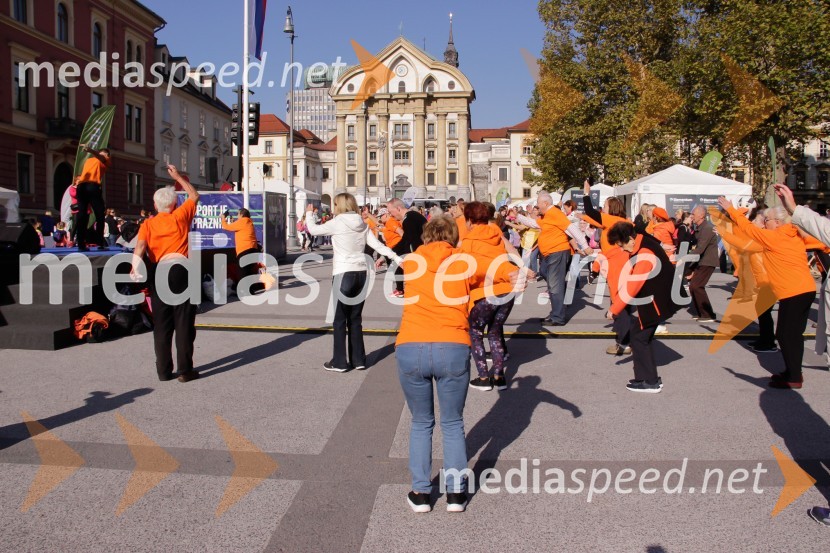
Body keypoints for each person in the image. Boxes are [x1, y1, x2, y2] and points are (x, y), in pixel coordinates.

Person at [396, 214, 522, 513]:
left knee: (421, 422)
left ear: (425, 236)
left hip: (411, 343)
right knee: (452, 423)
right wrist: (515, 273)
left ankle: (421, 492)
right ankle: (455, 493)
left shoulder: (412, 262)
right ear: (454, 237)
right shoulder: (463, 261)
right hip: (452, 344)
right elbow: (496, 267)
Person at [717, 195, 816, 389]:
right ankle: (792, 371)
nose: (765, 223)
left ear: (777, 222)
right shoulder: (794, 234)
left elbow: (748, 228)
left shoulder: (775, 237)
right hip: (805, 290)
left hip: (793, 292)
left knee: (786, 335)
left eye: (767, 220)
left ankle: (794, 377)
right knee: (792, 334)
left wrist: (731, 210)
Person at [305, 193, 402, 372]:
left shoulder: (337, 222)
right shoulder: (362, 223)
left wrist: (309, 214)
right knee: (355, 318)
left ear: (340, 205)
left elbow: (313, 230)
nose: (334, 207)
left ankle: (340, 362)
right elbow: (377, 245)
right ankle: (359, 360)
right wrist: (397, 258)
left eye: (335, 204)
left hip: (343, 272)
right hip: (361, 274)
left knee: (340, 319)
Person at [130, 165, 200, 383]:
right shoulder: (180, 216)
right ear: (175, 204)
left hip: (158, 270)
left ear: (155, 205)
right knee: (183, 321)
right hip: (180, 269)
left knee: (161, 323)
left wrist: (134, 267)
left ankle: (163, 371)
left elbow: (140, 247)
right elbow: (194, 195)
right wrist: (178, 176)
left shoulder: (148, 224)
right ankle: (184, 370)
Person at [460, 201, 529, 391]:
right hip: (506, 289)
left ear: (469, 220)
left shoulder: (469, 241)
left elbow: (468, 269)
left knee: (475, 332)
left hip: (485, 292)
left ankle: (483, 377)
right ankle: (499, 376)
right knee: (495, 331)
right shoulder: (496, 232)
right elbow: (510, 250)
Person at [605, 222, 681, 393]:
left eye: (622, 245)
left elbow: (634, 284)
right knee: (640, 337)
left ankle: (650, 381)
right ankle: (646, 379)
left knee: (639, 338)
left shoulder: (645, 253)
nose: (622, 250)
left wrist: (614, 309)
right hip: (657, 300)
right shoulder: (642, 242)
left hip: (656, 303)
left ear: (630, 239)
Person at [521, 191, 572, 326]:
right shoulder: (546, 216)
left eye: (538, 203)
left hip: (557, 251)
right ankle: (559, 301)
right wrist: (518, 217)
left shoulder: (555, 213)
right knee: (544, 272)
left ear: (545, 203)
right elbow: (533, 223)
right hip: (549, 253)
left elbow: (571, 229)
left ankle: (557, 317)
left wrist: (584, 246)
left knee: (554, 285)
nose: (536, 206)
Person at [386, 198, 427, 298]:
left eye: (391, 212)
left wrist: (393, 253)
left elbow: (411, 242)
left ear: (398, 208)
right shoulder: (411, 216)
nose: (391, 215)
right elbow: (406, 239)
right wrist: (390, 253)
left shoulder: (409, 219)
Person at [74, 144, 112, 251]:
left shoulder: (104, 160)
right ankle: (97, 243)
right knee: (98, 215)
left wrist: (91, 150)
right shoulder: (92, 160)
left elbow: (100, 157)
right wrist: (92, 151)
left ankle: (82, 244)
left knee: (84, 215)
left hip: (83, 187)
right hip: (90, 186)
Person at [687, 205, 719, 323]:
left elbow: (700, 248)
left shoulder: (707, 228)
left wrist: (684, 258)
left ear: (701, 215)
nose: (691, 216)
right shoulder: (700, 228)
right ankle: (701, 313)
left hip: (707, 261)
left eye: (693, 214)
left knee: (697, 286)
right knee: (693, 286)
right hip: (701, 261)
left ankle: (708, 314)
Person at [221, 208, 262, 295]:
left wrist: (223, 218)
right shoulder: (248, 222)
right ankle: (250, 290)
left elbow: (226, 227)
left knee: (242, 272)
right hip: (252, 248)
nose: (237, 216)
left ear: (242, 215)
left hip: (245, 249)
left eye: (238, 214)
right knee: (249, 271)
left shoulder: (242, 221)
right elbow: (238, 228)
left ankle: (244, 291)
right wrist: (233, 222)